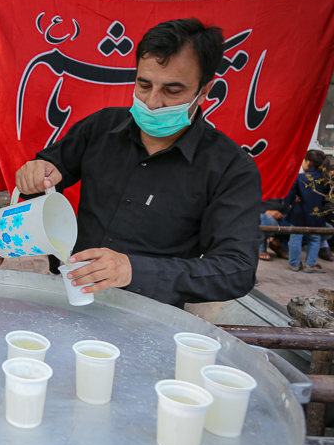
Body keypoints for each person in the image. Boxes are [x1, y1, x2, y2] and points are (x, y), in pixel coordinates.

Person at [15, 18, 262, 308]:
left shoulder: (230, 168)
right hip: (71, 297)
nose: (152, 102)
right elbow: (47, 174)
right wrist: (36, 173)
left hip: (150, 315)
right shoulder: (101, 127)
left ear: (205, 90)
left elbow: (237, 270)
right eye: (144, 85)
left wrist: (134, 270)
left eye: (172, 91)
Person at [284, 149, 328, 273]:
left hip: (299, 213)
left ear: (308, 162)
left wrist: (293, 199)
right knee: (315, 238)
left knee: (296, 238)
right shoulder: (325, 180)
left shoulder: (300, 177)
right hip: (317, 214)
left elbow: (289, 193)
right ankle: (310, 264)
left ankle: (295, 263)